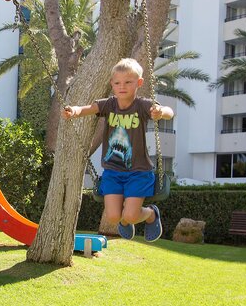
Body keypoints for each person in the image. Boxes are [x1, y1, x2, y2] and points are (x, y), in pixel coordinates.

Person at [62, 58, 174, 242]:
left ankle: (150, 214)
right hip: (113, 171)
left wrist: (160, 112)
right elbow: (88, 109)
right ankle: (127, 217)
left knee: (130, 216)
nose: (122, 86)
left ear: (139, 83)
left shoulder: (142, 105)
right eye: (117, 83)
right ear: (112, 84)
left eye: (128, 82)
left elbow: (169, 111)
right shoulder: (109, 104)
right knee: (113, 217)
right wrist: (73, 111)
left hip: (138, 171)